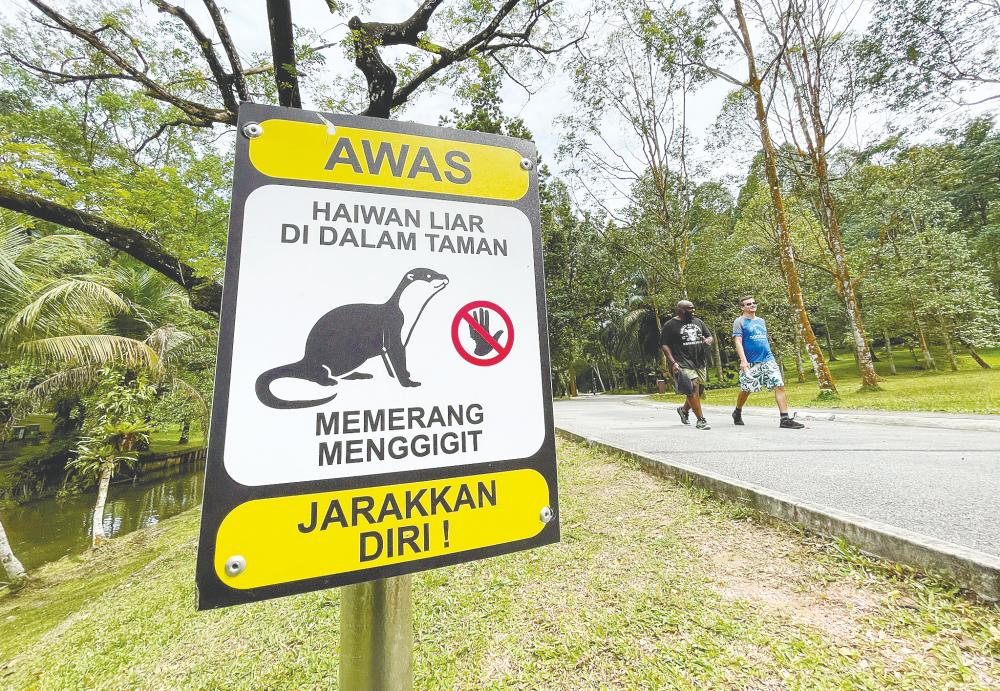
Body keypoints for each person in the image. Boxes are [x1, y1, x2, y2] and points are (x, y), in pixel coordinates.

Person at [731, 295, 805, 429]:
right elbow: (738, 341)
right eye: (748, 304)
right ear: (742, 307)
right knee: (747, 389)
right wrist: (743, 361)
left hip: (768, 359)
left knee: (779, 384)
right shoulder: (739, 321)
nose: (752, 305)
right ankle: (737, 411)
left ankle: (785, 419)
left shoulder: (761, 321)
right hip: (750, 362)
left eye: (754, 303)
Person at [660, 300, 714, 430]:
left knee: (699, 390)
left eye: (693, 308)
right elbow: (664, 345)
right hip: (682, 361)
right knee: (692, 387)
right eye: (690, 309)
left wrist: (707, 341)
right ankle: (701, 420)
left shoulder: (698, 322)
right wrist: (673, 362)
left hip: (699, 361)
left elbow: (709, 336)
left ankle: (684, 410)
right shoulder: (670, 325)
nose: (693, 311)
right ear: (680, 310)